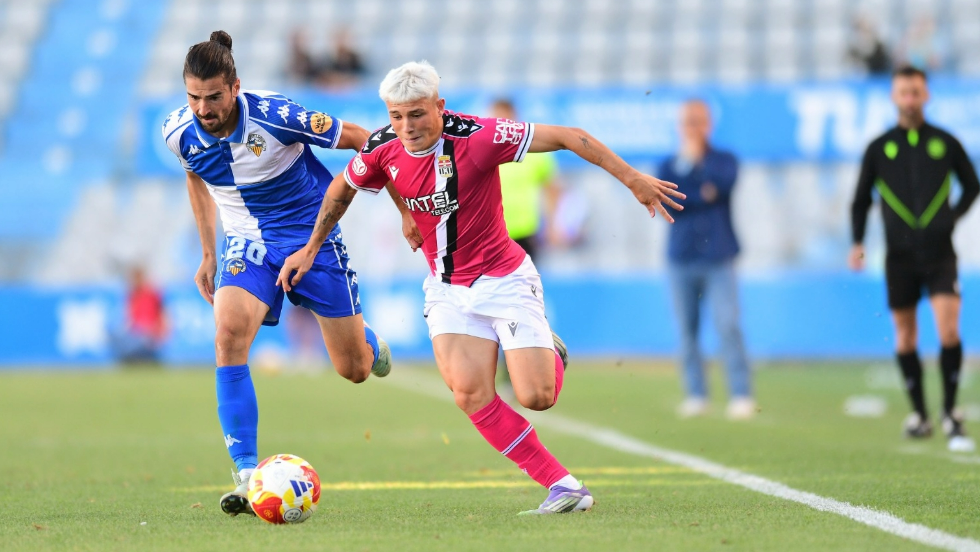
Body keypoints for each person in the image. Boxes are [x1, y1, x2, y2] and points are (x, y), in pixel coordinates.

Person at [277, 61, 685, 515]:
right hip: (447, 288)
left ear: (440, 106)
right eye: (396, 116)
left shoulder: (481, 137)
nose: (406, 127)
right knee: (469, 393)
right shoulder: (382, 146)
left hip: (504, 278)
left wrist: (633, 180)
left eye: (417, 114)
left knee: (537, 397)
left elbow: (570, 135)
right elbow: (341, 189)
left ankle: (551, 352)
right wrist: (313, 247)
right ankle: (563, 485)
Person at [162, 31, 403, 517]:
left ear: (235, 87)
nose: (203, 109)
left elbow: (366, 141)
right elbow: (195, 172)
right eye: (193, 97)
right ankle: (248, 474)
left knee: (353, 369)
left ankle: (368, 341)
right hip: (246, 244)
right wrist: (209, 254)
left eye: (212, 97)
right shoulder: (178, 130)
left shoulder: (276, 115)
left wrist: (405, 211)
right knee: (228, 334)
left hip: (310, 238)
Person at [850, 66, 979, 451]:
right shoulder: (878, 148)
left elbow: (972, 184)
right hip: (899, 257)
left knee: (949, 330)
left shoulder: (946, 142)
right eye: (904, 92)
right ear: (893, 96)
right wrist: (857, 242)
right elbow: (860, 199)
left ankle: (951, 412)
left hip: (941, 255)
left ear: (926, 96)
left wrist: (951, 217)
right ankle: (921, 414)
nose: (910, 99)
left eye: (916, 92)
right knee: (906, 334)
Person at [658, 100, 755, 421]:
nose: (693, 128)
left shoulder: (724, 160)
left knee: (728, 323)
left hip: (719, 254)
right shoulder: (669, 165)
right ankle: (697, 393)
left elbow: (723, 185)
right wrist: (702, 191)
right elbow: (672, 202)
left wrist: (694, 178)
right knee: (687, 329)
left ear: (709, 124)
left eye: (699, 121)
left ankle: (741, 393)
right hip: (681, 256)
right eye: (688, 121)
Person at [489, 98, 563, 261]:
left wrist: (552, 225)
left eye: (504, 117)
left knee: (526, 283)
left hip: (525, 230)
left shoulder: (533, 152)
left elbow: (552, 188)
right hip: (491, 232)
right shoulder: (484, 151)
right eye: (496, 117)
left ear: (514, 117)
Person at [113, 266, 167, 364]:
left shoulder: (152, 294)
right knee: (117, 336)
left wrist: (158, 331)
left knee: (140, 339)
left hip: (149, 334)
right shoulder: (132, 296)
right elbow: (129, 320)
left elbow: (162, 315)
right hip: (136, 334)